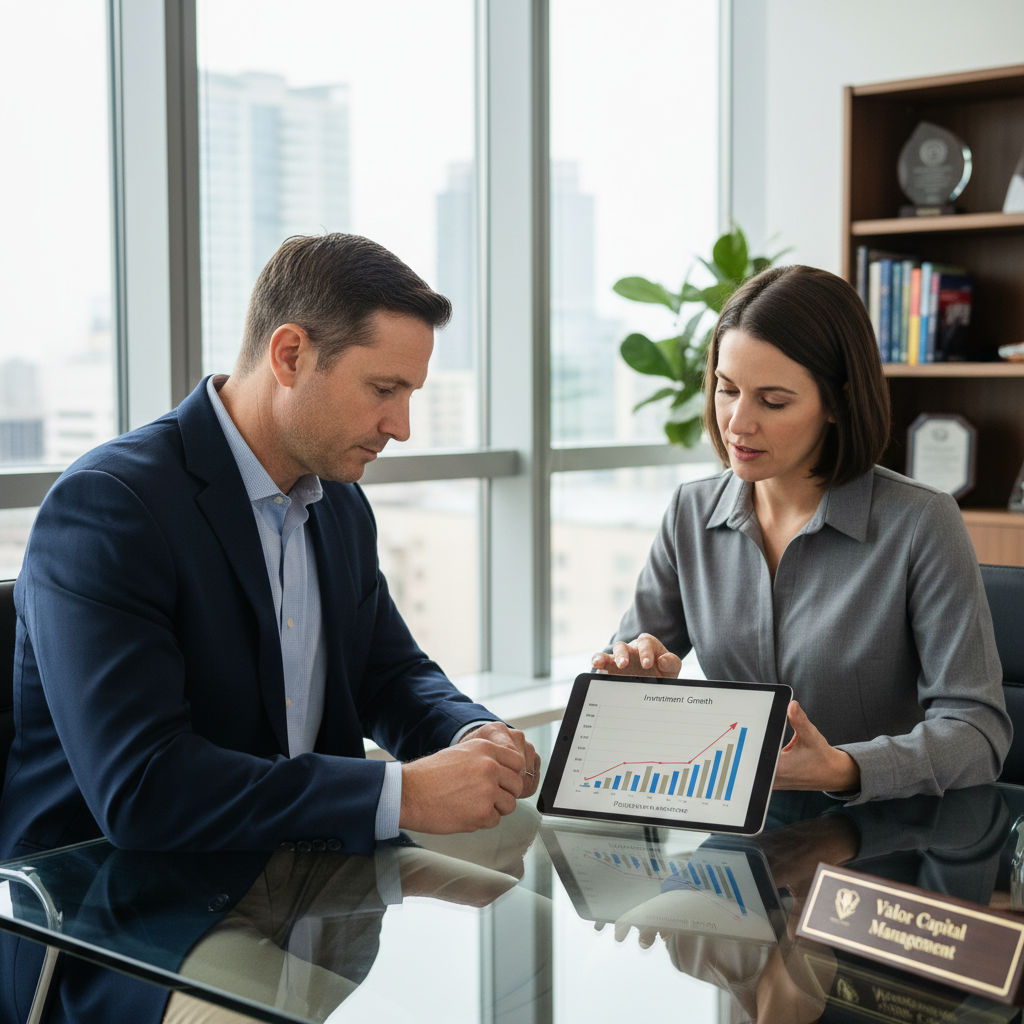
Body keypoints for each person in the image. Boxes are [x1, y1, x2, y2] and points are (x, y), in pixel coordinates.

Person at [0, 233, 540, 1024]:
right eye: (385, 389)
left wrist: (475, 736)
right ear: (290, 354)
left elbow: (390, 673)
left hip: (302, 868)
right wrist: (402, 790)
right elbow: (144, 790)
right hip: (130, 908)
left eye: (412, 394)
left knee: (523, 864)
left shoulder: (336, 502)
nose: (402, 425)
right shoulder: (111, 507)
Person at [592, 264, 1010, 803]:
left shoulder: (921, 523)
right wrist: (633, 675)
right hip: (733, 835)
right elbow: (625, 670)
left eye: (773, 401)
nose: (738, 422)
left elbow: (979, 735)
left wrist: (842, 769)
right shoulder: (690, 512)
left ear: (836, 402)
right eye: (726, 389)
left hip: (878, 847)